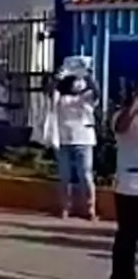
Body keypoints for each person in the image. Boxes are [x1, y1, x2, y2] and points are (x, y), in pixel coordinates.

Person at [51, 72, 99, 220]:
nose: (78, 84)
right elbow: (51, 93)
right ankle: (65, 207)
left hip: (84, 140)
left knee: (85, 175)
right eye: (75, 81)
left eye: (81, 81)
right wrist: (58, 78)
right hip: (64, 140)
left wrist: (89, 76)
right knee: (65, 176)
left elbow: (96, 92)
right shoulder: (61, 97)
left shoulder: (87, 97)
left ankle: (90, 208)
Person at [110, 90, 138, 279]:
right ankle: (122, 278)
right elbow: (122, 128)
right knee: (127, 234)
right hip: (129, 185)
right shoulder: (120, 117)